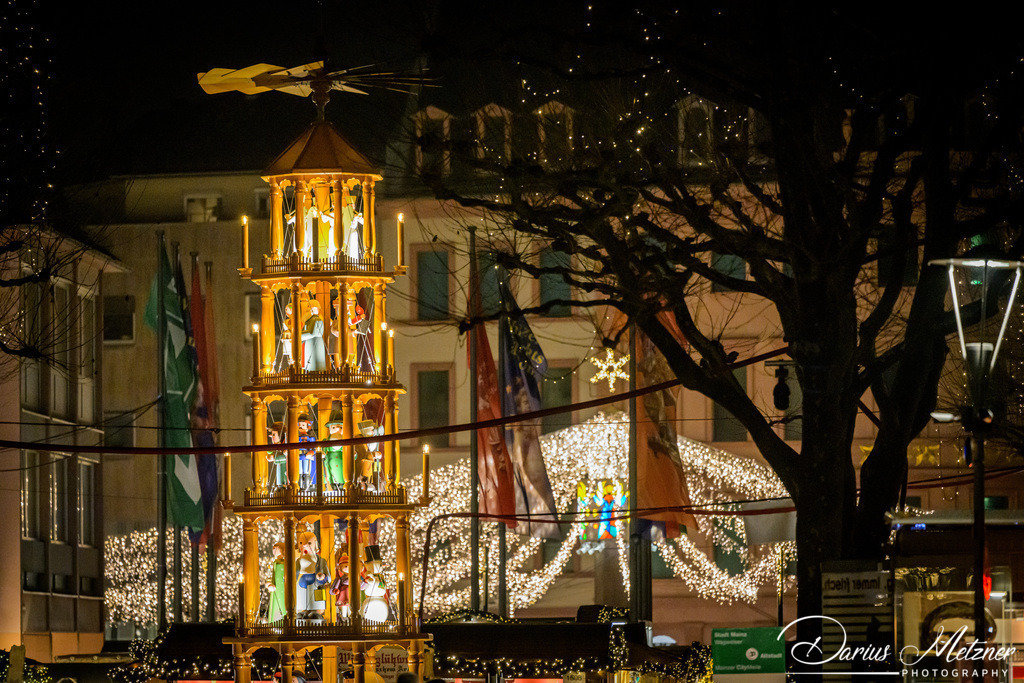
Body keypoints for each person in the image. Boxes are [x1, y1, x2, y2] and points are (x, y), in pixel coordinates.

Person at [295, 531, 330, 620]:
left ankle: (316, 614)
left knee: (316, 604)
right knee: (302, 602)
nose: (305, 545)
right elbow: (294, 573)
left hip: (316, 584)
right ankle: (302, 613)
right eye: (301, 543)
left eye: (309, 543)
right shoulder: (298, 561)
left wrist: (323, 576)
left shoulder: (321, 561)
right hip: (301, 584)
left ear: (315, 544)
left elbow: (328, 577)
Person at [265, 541, 287, 623]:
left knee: (284, 605)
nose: (274, 549)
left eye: (276, 547)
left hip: (284, 589)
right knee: (275, 605)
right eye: (273, 547)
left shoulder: (286, 563)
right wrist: (269, 584)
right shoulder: (274, 563)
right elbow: (269, 577)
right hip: (275, 589)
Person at [301, 303, 327, 371]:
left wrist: (300, 336)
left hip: (315, 343)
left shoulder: (317, 320)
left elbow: (313, 333)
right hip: (309, 342)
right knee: (309, 361)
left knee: (315, 362)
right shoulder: (308, 320)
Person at [324, 411, 345, 491]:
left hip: (342, 466)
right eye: (333, 427)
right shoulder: (326, 441)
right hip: (330, 464)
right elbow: (322, 451)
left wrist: (354, 454)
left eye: (340, 427)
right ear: (330, 428)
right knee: (331, 482)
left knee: (343, 484)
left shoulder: (346, 442)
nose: (337, 430)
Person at [267, 421, 286, 490]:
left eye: (274, 434)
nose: (272, 437)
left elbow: (286, 458)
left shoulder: (286, 446)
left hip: (286, 476)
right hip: (280, 476)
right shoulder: (278, 447)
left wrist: (275, 459)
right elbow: (270, 451)